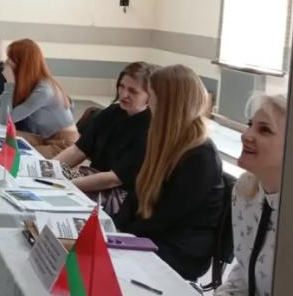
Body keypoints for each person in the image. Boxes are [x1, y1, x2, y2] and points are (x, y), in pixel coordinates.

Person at [114, 64, 224, 280]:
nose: (149, 103)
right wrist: (115, 228)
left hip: (179, 250)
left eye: (153, 96)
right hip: (156, 236)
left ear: (167, 103)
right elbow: (138, 195)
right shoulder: (163, 141)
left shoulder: (200, 156)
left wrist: (122, 237)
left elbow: (165, 217)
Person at [54, 62, 156, 214]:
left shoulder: (150, 130)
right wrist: (48, 168)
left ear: (149, 96)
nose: (124, 94)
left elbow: (114, 178)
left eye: (133, 91)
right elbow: (79, 149)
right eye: (121, 87)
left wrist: (67, 185)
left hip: (117, 195)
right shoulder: (112, 112)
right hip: (90, 180)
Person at [216, 94, 287, 296]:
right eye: (250, 125)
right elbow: (245, 272)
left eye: (264, 130)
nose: (246, 135)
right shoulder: (245, 190)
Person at [0, 39, 78, 156]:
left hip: (62, 145)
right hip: (41, 138)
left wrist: (9, 84)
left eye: (11, 58)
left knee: (8, 155)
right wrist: (3, 112)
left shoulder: (44, 90)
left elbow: (6, 119)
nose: (7, 62)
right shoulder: (25, 83)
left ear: (23, 63)